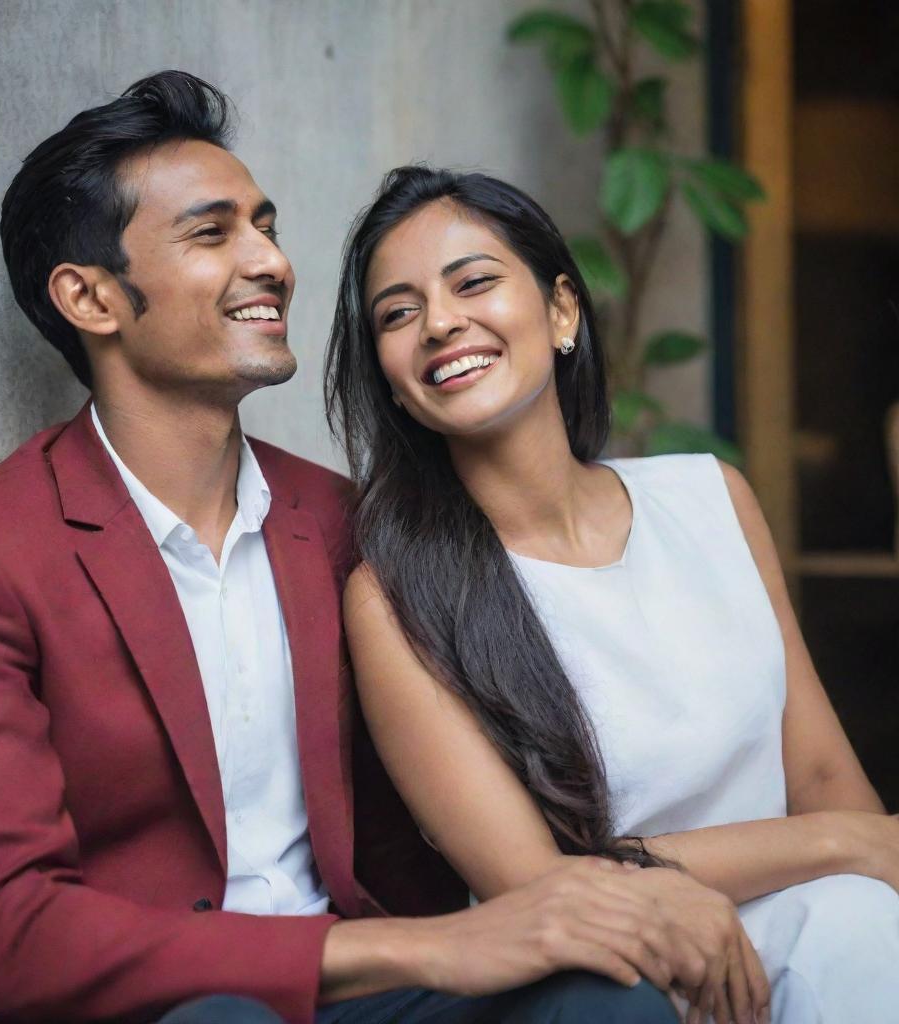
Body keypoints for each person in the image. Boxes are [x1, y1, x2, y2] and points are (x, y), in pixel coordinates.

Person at [0, 73, 690, 1024]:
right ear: (91, 298)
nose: (271, 260)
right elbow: (18, 934)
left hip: (361, 993)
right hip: (155, 1009)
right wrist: (431, 946)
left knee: (606, 997)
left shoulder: (344, 522)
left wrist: (627, 902)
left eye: (265, 225)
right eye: (213, 233)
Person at [325, 164, 899, 1024]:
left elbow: (822, 775)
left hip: (821, 932)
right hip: (614, 980)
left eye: (473, 281)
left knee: (861, 926)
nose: (440, 323)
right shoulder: (396, 600)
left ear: (561, 311)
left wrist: (845, 845)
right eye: (398, 314)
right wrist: (837, 843)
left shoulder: (710, 498)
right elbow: (536, 885)